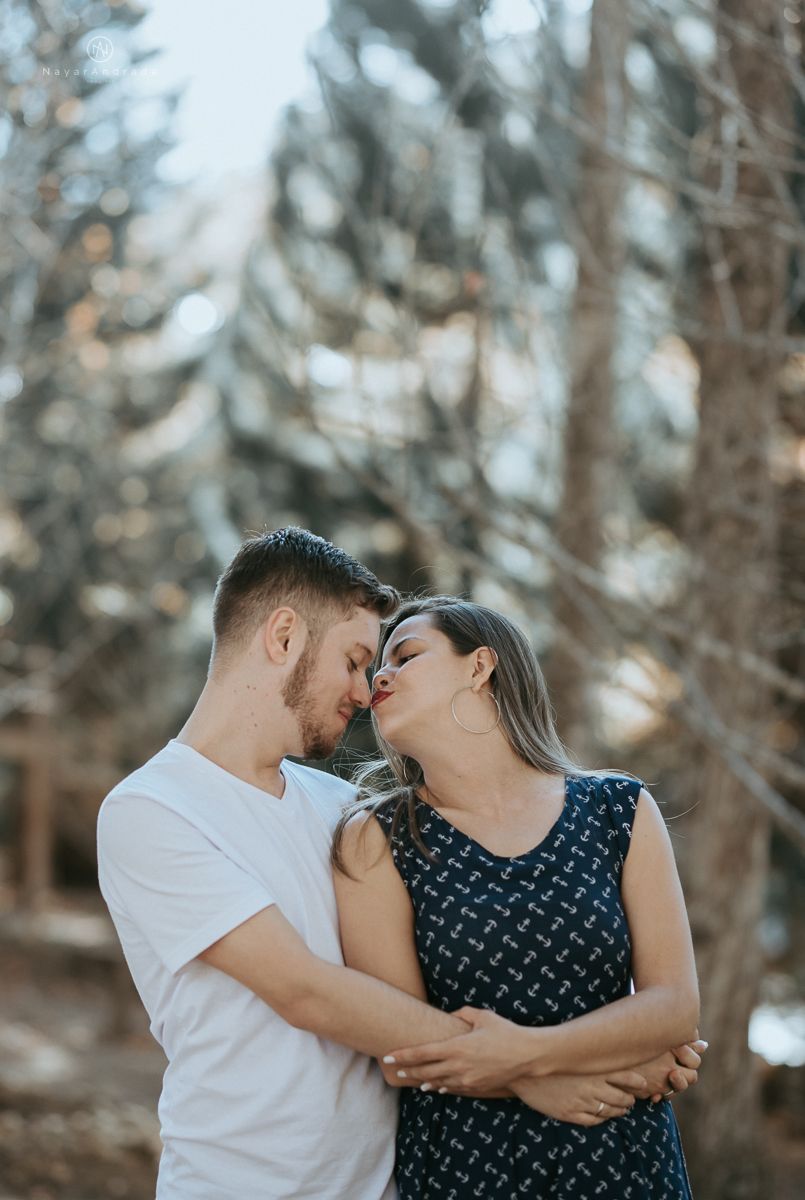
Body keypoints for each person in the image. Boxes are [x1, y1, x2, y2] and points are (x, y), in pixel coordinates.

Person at [98, 529, 700, 1199]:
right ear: (283, 636)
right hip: (245, 1183)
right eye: (355, 660)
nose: (364, 691)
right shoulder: (153, 809)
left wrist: (632, 1044)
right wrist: (541, 1073)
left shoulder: (342, 809)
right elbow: (307, 991)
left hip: (387, 1183)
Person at [333, 596, 702, 1200]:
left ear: (480, 667)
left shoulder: (619, 810)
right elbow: (400, 1052)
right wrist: (542, 1078)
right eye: (380, 664)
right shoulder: (374, 840)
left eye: (406, 654)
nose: (380, 674)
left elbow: (674, 1007)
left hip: (623, 1157)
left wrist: (531, 1054)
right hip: (468, 1164)